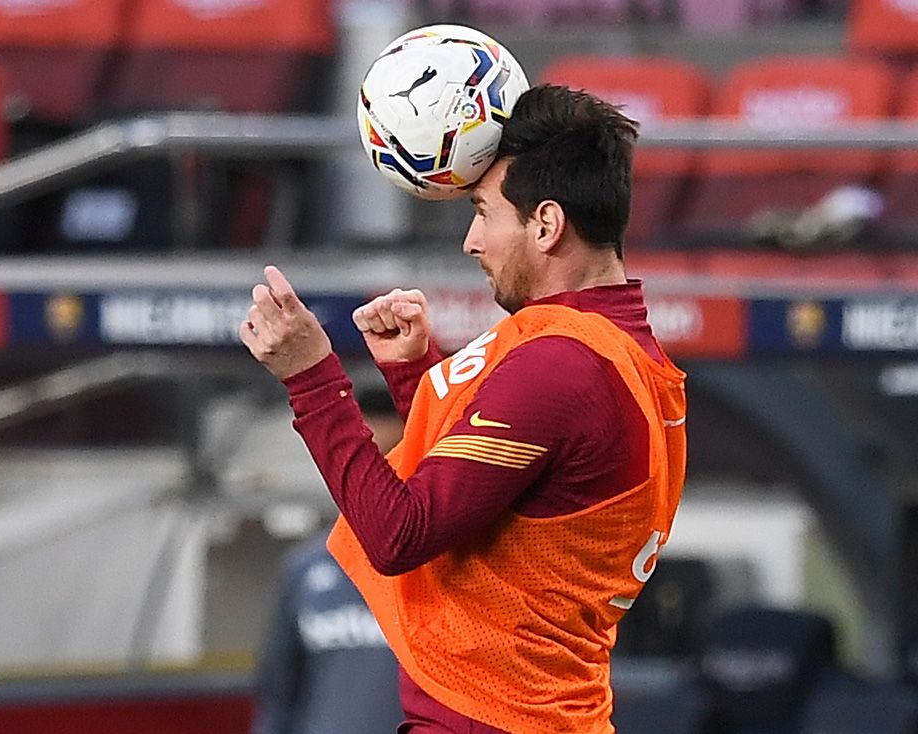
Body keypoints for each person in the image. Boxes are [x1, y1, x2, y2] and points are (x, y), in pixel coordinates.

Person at [239, 84, 688, 733]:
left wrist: (311, 378)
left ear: (546, 225)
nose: (471, 241)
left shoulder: (560, 364)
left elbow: (401, 535)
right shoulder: (619, 351)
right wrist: (415, 375)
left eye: (483, 211)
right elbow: (495, 494)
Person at [250, 387, 405, 734]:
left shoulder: (452, 565)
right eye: (363, 467)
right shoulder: (306, 568)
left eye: (388, 463)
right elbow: (278, 697)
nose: (373, 486)